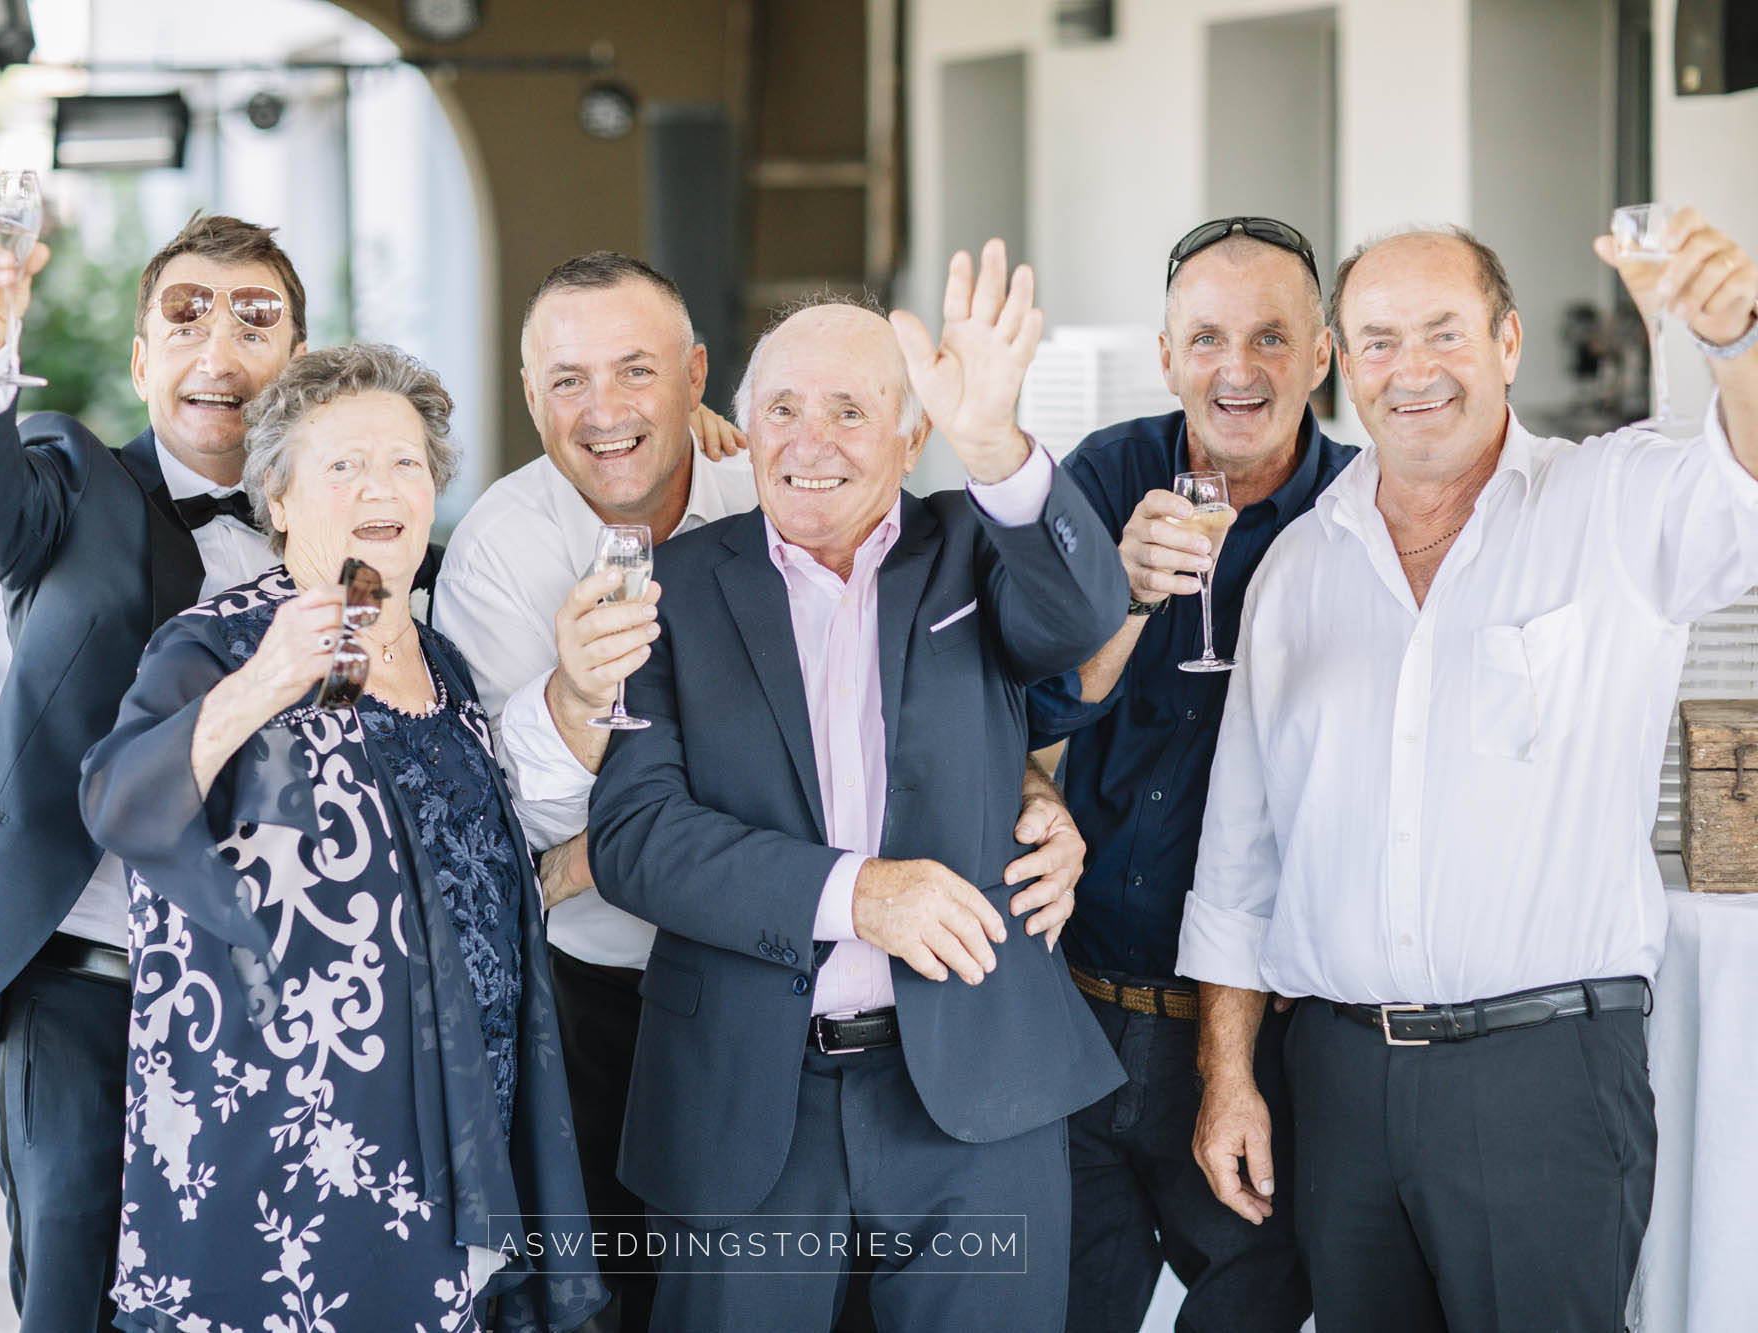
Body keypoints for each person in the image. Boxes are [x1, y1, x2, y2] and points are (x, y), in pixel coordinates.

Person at [432, 251, 1085, 1330]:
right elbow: (571, 823)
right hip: (664, 1022)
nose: (604, 411)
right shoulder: (559, 566)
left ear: (694, 384)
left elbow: (1042, 648)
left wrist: (1024, 795)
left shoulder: (883, 513)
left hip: (957, 1062)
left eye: (635, 371)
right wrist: (853, 888)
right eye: (566, 380)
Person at [1181, 211, 1758, 1330]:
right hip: (1337, 1080)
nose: (1412, 371)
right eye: (1379, 341)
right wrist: (1226, 1073)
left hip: (1540, 1075)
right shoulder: (1297, 566)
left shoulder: (1610, 504)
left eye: (1442, 333)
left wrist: (1734, 341)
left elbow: (1741, 486)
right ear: (1343, 367)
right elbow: (1239, 856)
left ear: (1506, 343)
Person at [78, 343, 604, 1333]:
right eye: (343, 465)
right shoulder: (218, 643)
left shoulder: (442, 664)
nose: (381, 486)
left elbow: (449, 881)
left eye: (405, 462)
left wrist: (581, 863)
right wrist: (266, 680)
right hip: (291, 1154)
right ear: (277, 500)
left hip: (460, 1124)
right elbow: (117, 802)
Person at [0, 213, 313, 1333]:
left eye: (256, 320)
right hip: (85, 981)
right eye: (185, 314)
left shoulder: (352, 531)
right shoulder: (70, 488)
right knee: (73, 1283)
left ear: (296, 362)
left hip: (285, 997)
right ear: (140, 360)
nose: (220, 347)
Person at [1030, 217, 1348, 1333]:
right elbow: (1019, 701)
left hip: (1266, 1046)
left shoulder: (1361, 513)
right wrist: (1113, 595)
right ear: (1165, 355)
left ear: (1322, 355)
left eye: (1270, 338)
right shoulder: (1104, 474)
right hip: (1074, 1014)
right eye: (1205, 337)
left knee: (1250, 1308)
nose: (1236, 368)